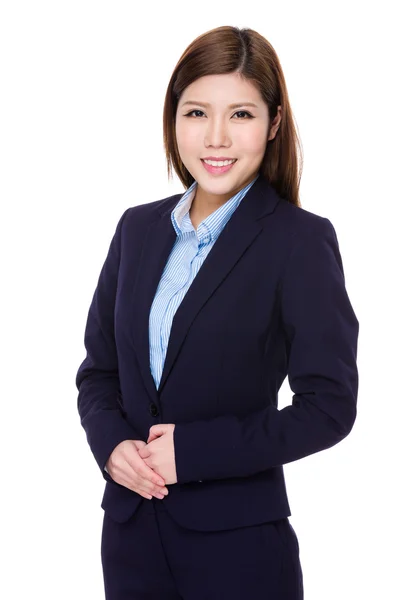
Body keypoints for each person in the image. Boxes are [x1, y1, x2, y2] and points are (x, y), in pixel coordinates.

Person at [75, 25, 359, 600]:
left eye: (243, 115)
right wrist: (111, 445)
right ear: (173, 119)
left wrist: (196, 453)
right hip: (131, 539)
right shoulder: (136, 229)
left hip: (239, 552)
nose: (217, 137)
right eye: (197, 112)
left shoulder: (299, 242)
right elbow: (99, 373)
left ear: (274, 123)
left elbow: (329, 406)